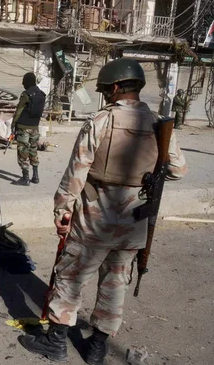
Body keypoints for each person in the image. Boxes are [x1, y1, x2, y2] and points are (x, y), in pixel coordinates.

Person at [18, 58, 187, 364]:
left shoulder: (101, 121)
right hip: (134, 221)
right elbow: (177, 169)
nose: (106, 95)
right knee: (115, 283)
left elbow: (76, 173)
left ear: (116, 88)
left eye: (107, 90)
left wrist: (62, 210)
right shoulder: (159, 125)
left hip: (93, 222)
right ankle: (97, 347)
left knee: (71, 278)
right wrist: (147, 174)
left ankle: (56, 342)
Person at [11, 72, 46, 186]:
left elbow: (19, 110)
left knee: (23, 152)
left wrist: (13, 124)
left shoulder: (26, 94)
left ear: (27, 82)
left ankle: (25, 178)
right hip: (35, 128)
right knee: (33, 150)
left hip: (23, 127)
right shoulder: (41, 94)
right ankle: (35, 176)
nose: (23, 84)